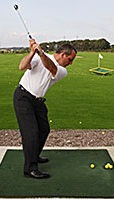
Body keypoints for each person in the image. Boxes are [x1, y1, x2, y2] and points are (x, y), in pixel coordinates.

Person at [13, 39, 77, 179]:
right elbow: (22, 66)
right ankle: (30, 169)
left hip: (38, 101)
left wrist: (41, 54)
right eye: (70, 59)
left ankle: (34, 156)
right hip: (23, 97)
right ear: (62, 55)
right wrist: (31, 53)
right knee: (31, 132)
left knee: (44, 129)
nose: (71, 63)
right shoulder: (38, 56)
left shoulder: (62, 71)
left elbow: (51, 68)